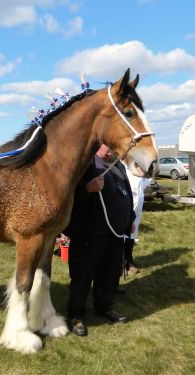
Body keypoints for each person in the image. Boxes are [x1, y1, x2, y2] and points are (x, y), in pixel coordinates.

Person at [63, 144, 135, 336]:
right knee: (82, 277)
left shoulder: (117, 166)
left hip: (115, 234)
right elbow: (66, 194)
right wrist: (87, 188)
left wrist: (131, 219)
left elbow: (126, 193)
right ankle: (75, 315)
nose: (112, 149)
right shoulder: (84, 163)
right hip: (90, 234)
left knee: (110, 275)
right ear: (98, 144)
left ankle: (104, 307)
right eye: (108, 145)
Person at [123, 162, 152, 273]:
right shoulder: (123, 166)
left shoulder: (141, 167)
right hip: (125, 205)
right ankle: (120, 263)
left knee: (132, 235)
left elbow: (145, 182)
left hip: (137, 208)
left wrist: (148, 173)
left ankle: (129, 262)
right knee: (122, 236)